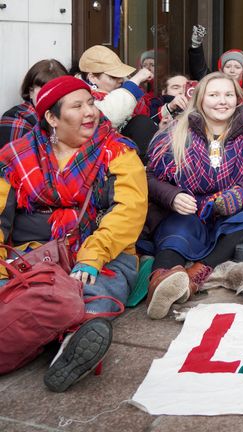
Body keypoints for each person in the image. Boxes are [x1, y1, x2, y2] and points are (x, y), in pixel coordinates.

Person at [0, 76, 148, 391]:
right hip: (34, 253)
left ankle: (71, 346)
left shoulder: (117, 152)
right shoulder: (15, 156)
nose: (90, 112)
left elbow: (128, 211)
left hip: (102, 252)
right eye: (77, 106)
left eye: (91, 103)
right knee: (14, 290)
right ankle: (45, 333)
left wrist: (92, 256)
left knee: (97, 293)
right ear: (52, 118)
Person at [146, 72, 243, 320]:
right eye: (214, 94)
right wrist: (172, 196)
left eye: (228, 94)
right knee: (177, 232)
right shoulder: (175, 133)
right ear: (200, 99)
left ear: (238, 99)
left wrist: (242, 194)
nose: (222, 101)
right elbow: (149, 177)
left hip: (230, 211)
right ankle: (161, 281)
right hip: (187, 209)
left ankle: (196, 273)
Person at [78, 45, 157, 159]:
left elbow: (143, 113)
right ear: (92, 77)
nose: (120, 79)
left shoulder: (116, 91)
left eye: (120, 75)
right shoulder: (81, 97)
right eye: (113, 76)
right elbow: (109, 117)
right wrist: (134, 82)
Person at [0, 59, 68, 147]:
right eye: (45, 90)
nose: (51, 96)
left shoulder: (70, 114)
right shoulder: (16, 118)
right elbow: (18, 157)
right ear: (30, 92)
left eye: (57, 90)